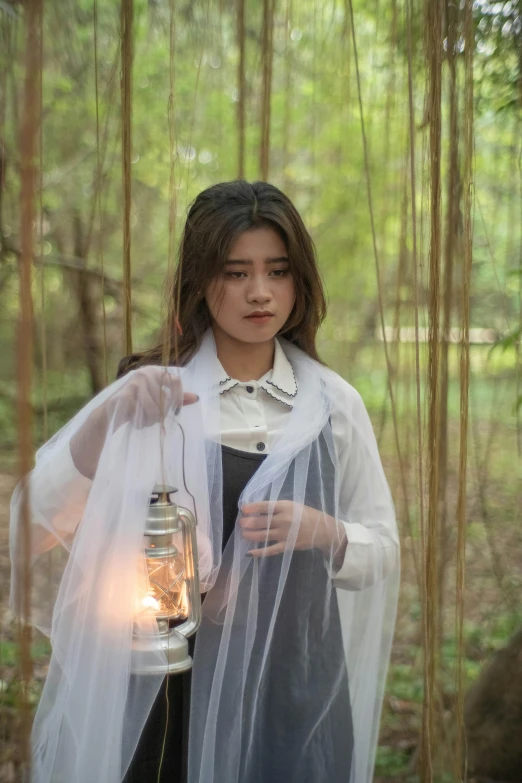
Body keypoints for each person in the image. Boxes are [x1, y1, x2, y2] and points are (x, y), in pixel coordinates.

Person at [10, 180, 400, 783]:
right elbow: (30, 529)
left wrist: (327, 532)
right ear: (199, 281)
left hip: (295, 686)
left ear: (302, 282)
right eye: (236, 272)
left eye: (278, 271)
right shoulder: (155, 396)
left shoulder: (332, 405)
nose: (260, 293)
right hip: (166, 690)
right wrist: (109, 415)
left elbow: (384, 550)